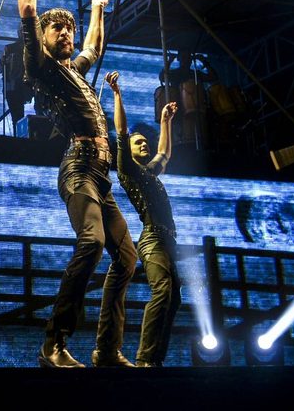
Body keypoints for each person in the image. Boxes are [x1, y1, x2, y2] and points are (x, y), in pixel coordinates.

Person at [14, 0, 136, 369]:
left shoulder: (74, 71)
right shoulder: (41, 67)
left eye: (69, 28)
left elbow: (93, 47)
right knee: (93, 242)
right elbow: (28, 10)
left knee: (126, 257)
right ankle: (53, 344)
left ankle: (106, 349)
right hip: (78, 168)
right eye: (58, 29)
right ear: (43, 37)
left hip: (101, 175)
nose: (66, 33)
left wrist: (96, 8)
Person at [107, 72, 180, 366]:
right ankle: (145, 359)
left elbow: (164, 153)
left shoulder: (149, 172)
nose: (144, 144)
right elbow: (122, 131)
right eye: (138, 143)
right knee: (162, 289)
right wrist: (117, 94)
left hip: (168, 241)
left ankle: (155, 360)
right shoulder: (129, 170)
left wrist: (165, 121)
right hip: (152, 239)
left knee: (174, 298)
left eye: (144, 142)